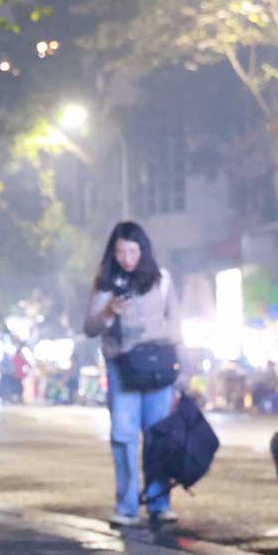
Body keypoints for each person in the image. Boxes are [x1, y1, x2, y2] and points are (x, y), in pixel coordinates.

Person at [83, 220, 182, 527]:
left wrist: (181, 368)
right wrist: (108, 311)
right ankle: (127, 507)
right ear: (113, 254)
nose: (127, 258)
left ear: (144, 250)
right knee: (124, 437)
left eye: (133, 251)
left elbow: (176, 323)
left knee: (158, 436)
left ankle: (158, 502)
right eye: (121, 252)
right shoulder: (106, 285)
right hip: (122, 367)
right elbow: (89, 327)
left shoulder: (161, 280)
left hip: (157, 367)